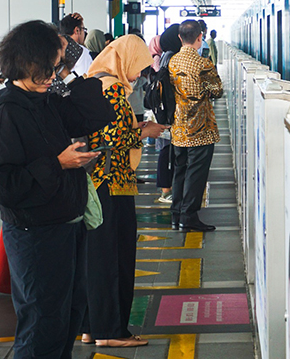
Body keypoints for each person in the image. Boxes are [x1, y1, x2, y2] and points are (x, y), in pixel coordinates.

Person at [0, 20, 115, 359]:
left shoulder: (45, 99)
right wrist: (59, 164)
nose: (54, 76)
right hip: (35, 234)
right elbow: (3, 185)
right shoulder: (6, 112)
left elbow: (93, 116)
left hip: (66, 226)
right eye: (49, 68)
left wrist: (73, 72)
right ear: (28, 63)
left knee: (67, 317)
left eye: (56, 68)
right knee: (42, 325)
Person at [83, 35, 167, 348]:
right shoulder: (114, 89)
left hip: (96, 182)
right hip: (113, 182)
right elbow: (116, 140)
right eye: (138, 67)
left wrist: (136, 126)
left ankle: (91, 326)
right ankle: (112, 331)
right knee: (116, 257)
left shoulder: (94, 80)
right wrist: (147, 130)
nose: (137, 75)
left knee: (96, 256)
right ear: (125, 59)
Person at [169, 19, 222, 232]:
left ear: (180, 38)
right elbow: (217, 90)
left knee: (180, 171)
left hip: (178, 128)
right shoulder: (203, 64)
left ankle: (176, 214)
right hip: (201, 130)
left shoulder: (172, 61)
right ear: (200, 38)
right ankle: (189, 216)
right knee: (196, 174)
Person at [155, 25, 182, 205]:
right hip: (170, 113)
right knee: (167, 152)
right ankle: (166, 191)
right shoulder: (172, 57)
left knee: (167, 150)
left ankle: (167, 189)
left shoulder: (165, 55)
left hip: (164, 111)